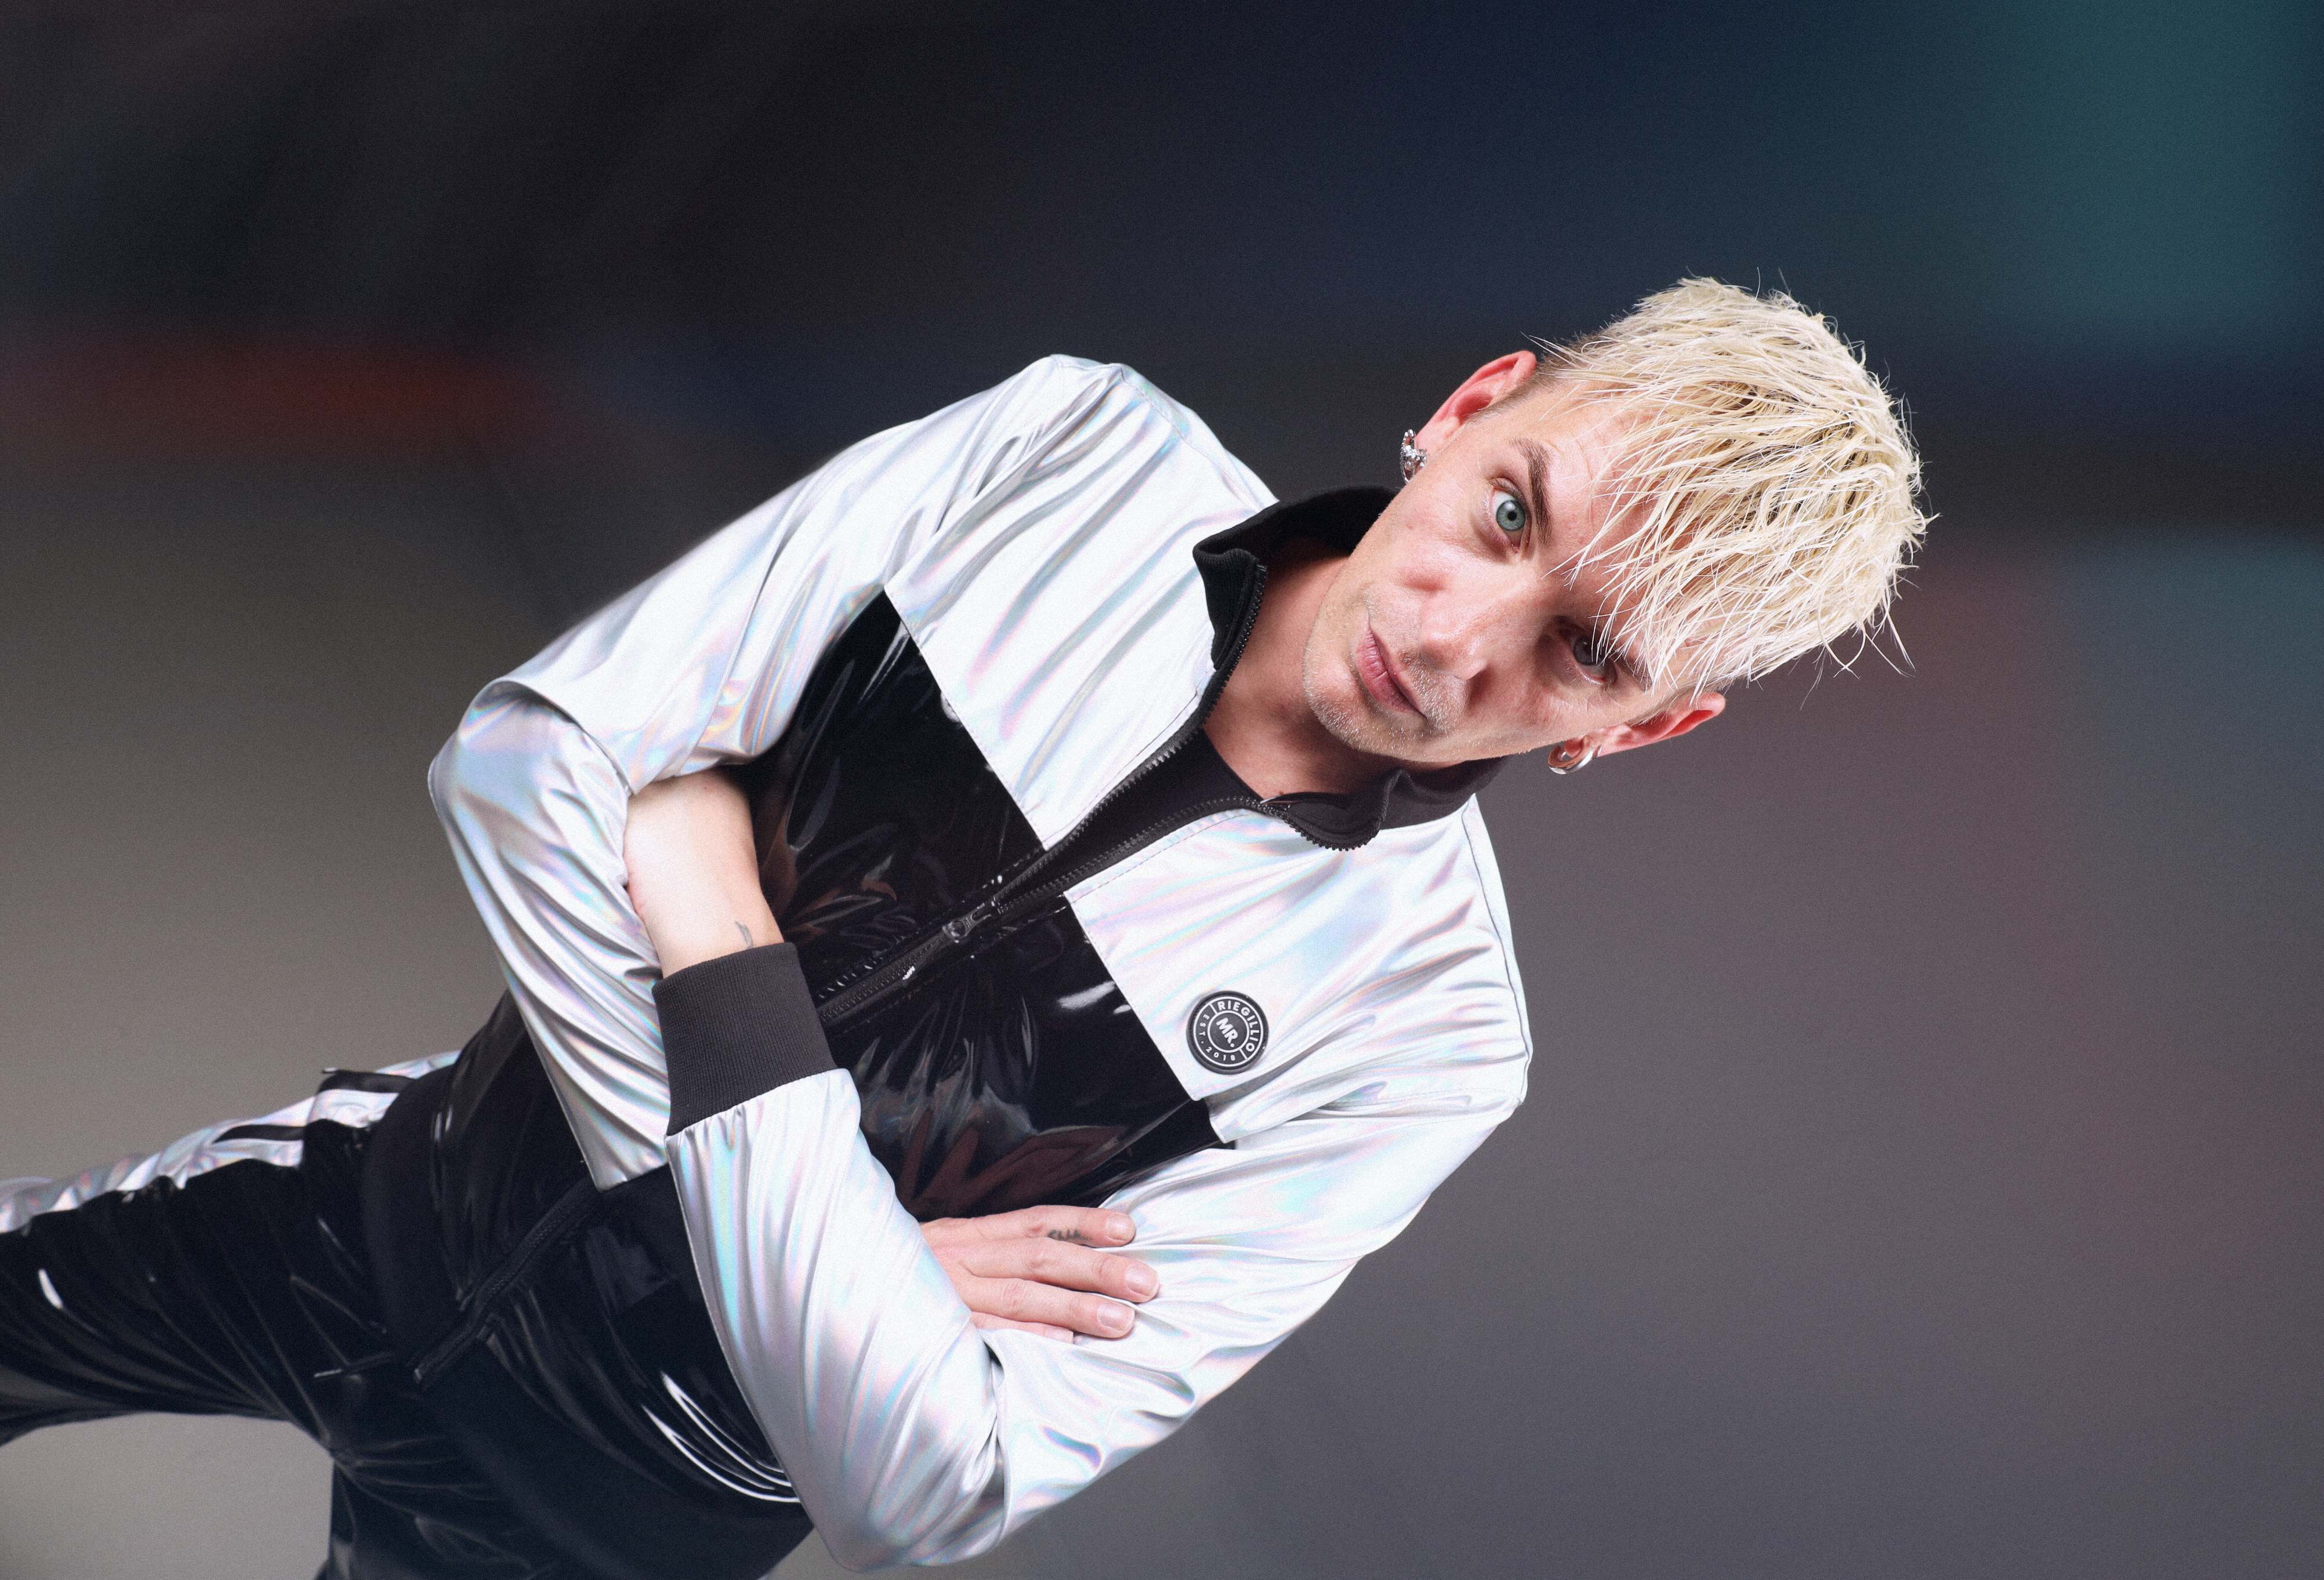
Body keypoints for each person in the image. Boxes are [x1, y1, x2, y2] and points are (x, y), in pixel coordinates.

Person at [0, 279, 1926, 1579]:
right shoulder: (1073, 454)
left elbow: (929, 1480)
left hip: (614, 1527)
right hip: (370, 1196)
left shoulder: (1426, 1043)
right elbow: (525, 766)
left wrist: (710, 906)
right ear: (1474, 407)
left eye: (1580, 649)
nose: (1448, 638)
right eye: (1510, 515)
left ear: (1638, 727)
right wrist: (850, 1272)